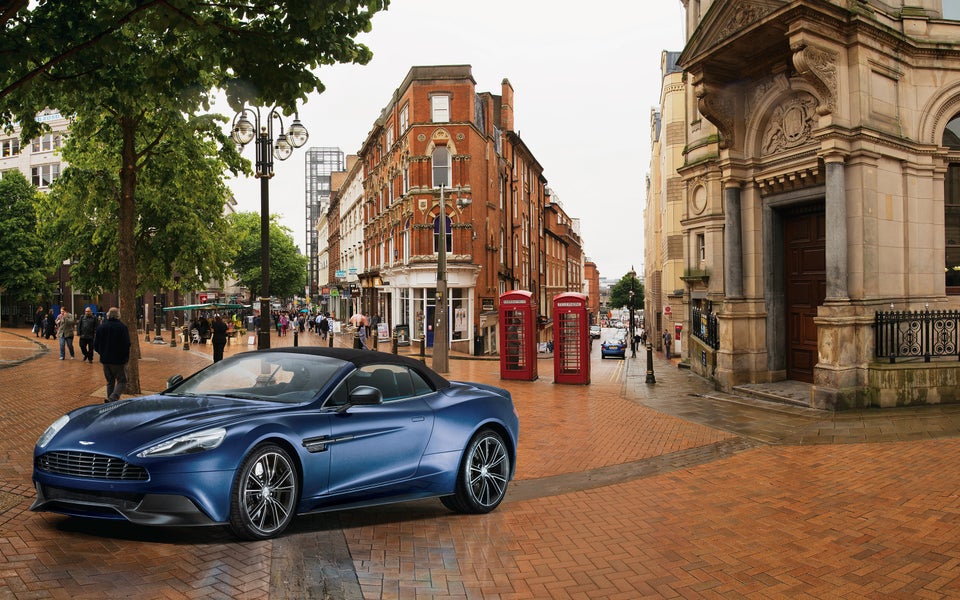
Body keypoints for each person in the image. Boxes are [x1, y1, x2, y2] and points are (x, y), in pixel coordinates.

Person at [93, 307, 131, 403]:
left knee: (110, 382)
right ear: (118, 315)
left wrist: (102, 353)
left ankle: (110, 402)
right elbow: (127, 344)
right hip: (119, 360)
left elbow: (95, 344)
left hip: (105, 360)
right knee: (122, 381)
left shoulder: (101, 327)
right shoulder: (122, 327)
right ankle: (112, 398)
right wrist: (125, 357)